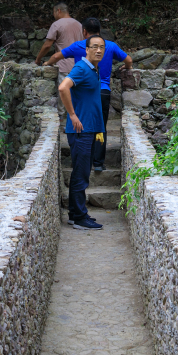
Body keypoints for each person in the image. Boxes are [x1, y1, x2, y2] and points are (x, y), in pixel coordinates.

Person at [58, 37, 105, 230]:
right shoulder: (81, 68)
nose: (99, 50)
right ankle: (78, 217)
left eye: (102, 47)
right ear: (86, 49)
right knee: (80, 174)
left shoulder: (93, 69)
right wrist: (72, 114)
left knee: (83, 173)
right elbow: (63, 87)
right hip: (81, 131)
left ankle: (76, 214)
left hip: (90, 130)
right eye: (95, 47)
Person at [88, 32, 133, 169]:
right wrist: (127, 67)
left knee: (86, 125)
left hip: (86, 91)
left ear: (84, 31)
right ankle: (98, 163)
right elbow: (129, 60)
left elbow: (57, 56)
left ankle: (84, 162)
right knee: (100, 126)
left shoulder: (81, 46)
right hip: (103, 91)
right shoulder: (110, 46)